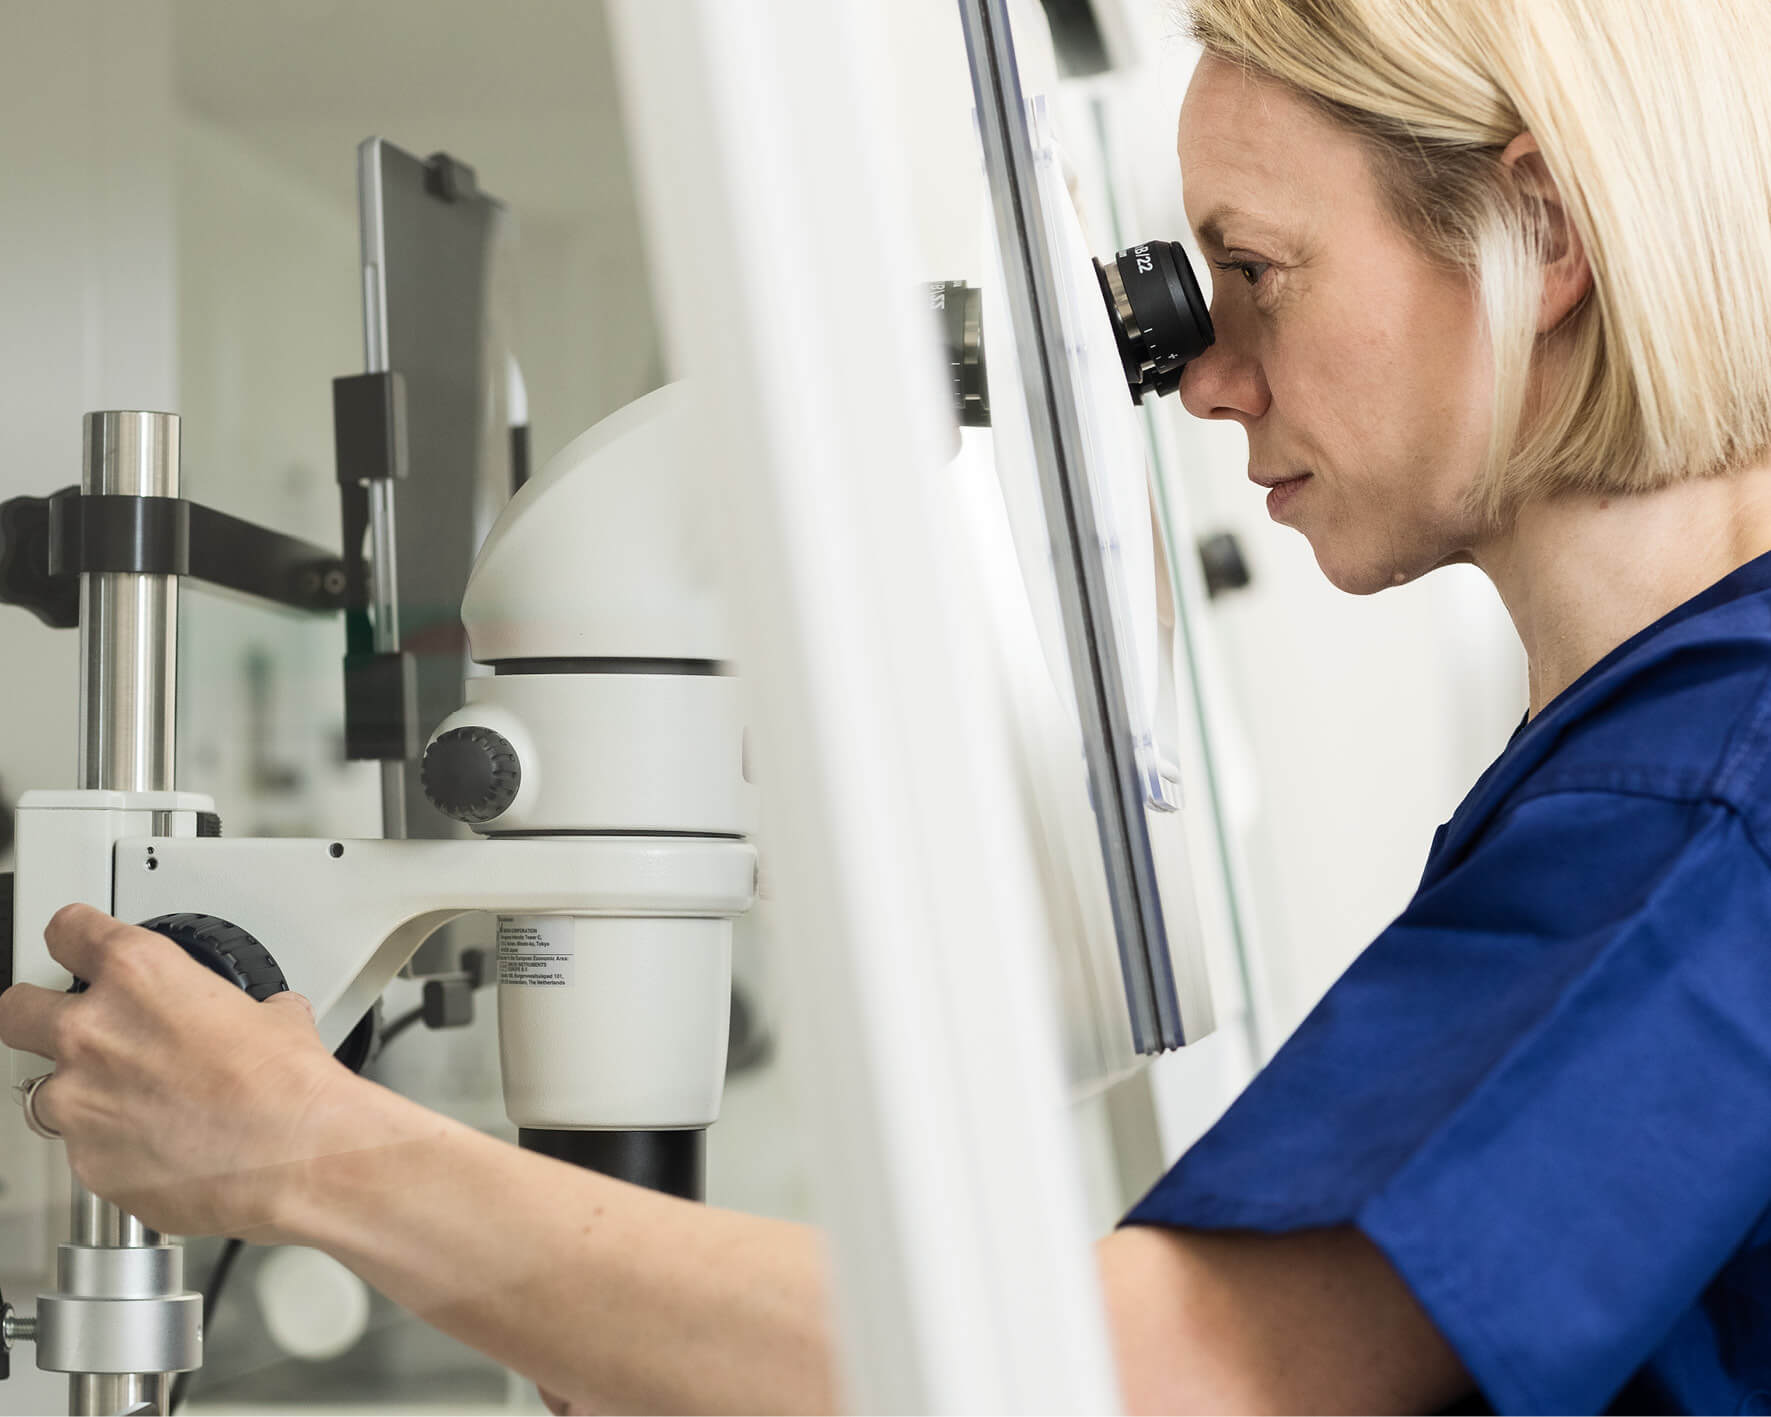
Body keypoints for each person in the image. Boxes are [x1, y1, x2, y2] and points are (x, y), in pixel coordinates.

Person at [6, 0, 1771, 1409]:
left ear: (1536, 232)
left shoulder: (1704, 794)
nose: (1213, 377)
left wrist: (301, 1149)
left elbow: (1162, 1381)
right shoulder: (1644, 755)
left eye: (1259, 272)